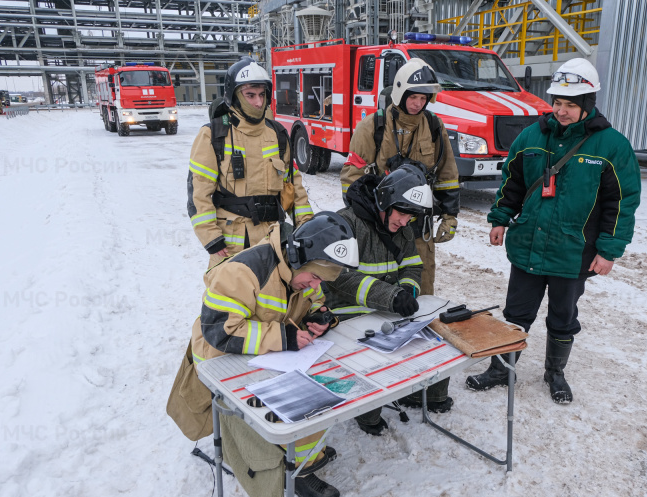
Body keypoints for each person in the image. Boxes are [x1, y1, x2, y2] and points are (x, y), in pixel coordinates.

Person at [466, 58, 641, 403]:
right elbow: (512, 182)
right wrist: (500, 217)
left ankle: (555, 373)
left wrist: (609, 250)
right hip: (528, 244)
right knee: (515, 313)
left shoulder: (611, 147)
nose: (561, 111)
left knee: (563, 317)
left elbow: (621, 202)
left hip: (574, 251)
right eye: (557, 102)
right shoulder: (532, 136)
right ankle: (501, 369)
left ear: (588, 104)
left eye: (570, 105)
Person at [167, 212, 359, 497]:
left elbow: (316, 302)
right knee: (295, 399)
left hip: (266, 355)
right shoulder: (243, 270)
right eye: (315, 277)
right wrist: (284, 338)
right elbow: (220, 331)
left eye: (321, 280)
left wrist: (321, 319)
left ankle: (303, 452)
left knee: (322, 383)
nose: (314, 285)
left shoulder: (303, 271)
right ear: (299, 258)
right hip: (222, 358)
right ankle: (294, 467)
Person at [326, 164, 453, 436]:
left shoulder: (403, 227)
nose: (406, 222)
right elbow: (339, 277)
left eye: (412, 216)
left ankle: (421, 393)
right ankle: (366, 413)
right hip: (349, 317)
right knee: (372, 377)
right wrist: (392, 296)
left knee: (436, 346)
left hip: (388, 313)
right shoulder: (345, 223)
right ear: (385, 201)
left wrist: (408, 292)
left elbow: (412, 267)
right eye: (403, 213)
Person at [340, 58, 460, 296]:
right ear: (400, 93)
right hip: (380, 230)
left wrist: (450, 215)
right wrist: (371, 221)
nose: (418, 104)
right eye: (413, 97)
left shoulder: (435, 127)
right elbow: (351, 180)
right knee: (380, 291)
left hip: (418, 230)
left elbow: (447, 173)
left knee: (421, 290)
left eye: (423, 98)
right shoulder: (373, 127)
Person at [187, 57, 314, 269]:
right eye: (250, 95)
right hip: (230, 245)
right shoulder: (213, 135)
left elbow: (294, 190)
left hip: (273, 240)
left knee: (273, 300)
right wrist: (211, 239)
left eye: (262, 94)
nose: (258, 102)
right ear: (234, 96)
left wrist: (308, 228)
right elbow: (198, 194)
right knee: (230, 301)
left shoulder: (278, 134)